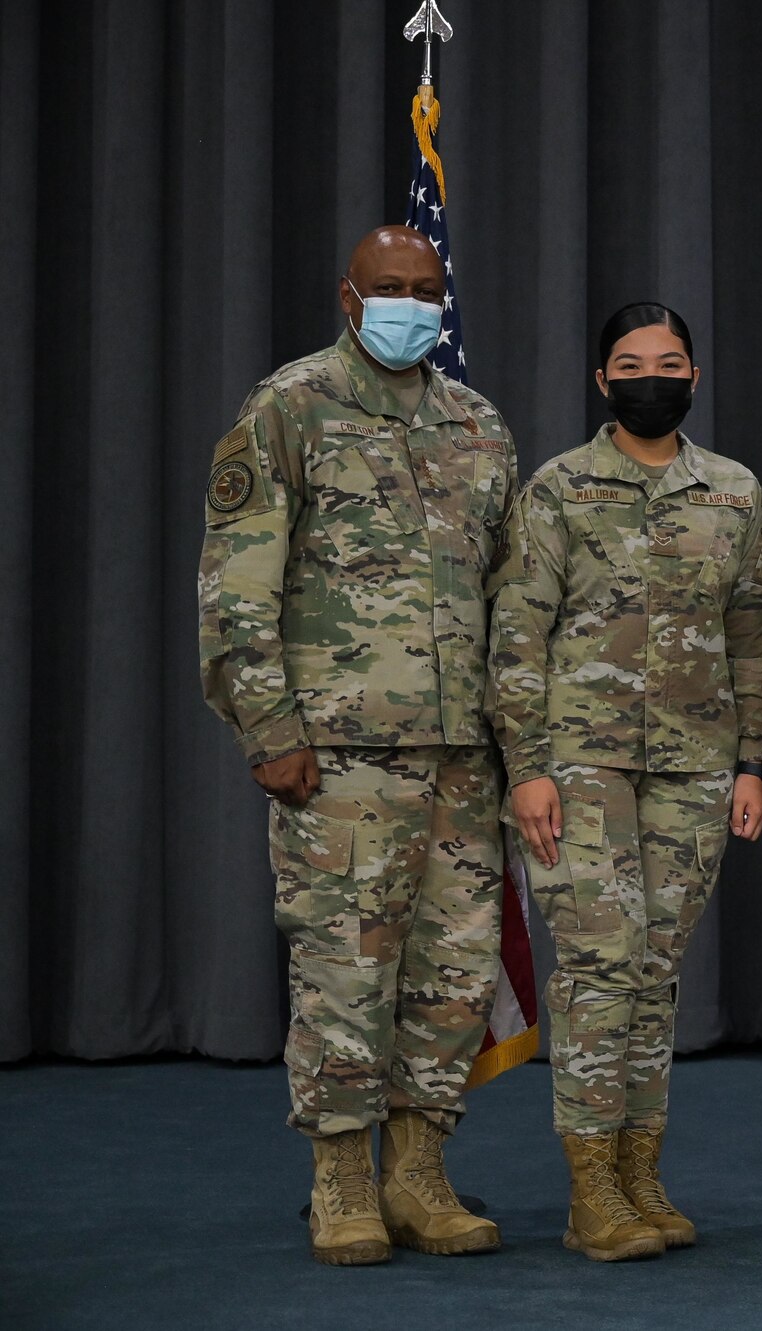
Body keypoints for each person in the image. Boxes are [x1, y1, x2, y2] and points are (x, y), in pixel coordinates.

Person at [197, 225, 514, 1265]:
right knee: (345, 967)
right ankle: (341, 1177)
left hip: (463, 751)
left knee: (452, 973)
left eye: (426, 290)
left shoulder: (477, 423)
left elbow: (507, 598)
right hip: (339, 752)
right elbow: (236, 585)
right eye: (389, 288)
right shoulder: (288, 408)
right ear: (348, 294)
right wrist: (268, 726)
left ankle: (417, 1171)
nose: (409, 305)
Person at [487, 303, 762, 1262]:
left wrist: (751, 763)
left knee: (654, 976)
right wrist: (526, 769)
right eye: (631, 362)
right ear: (602, 382)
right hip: (581, 763)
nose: (653, 375)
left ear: (694, 375)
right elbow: (517, 635)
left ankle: (641, 1171)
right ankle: (590, 1189)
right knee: (601, 971)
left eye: (671, 360)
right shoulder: (559, 489)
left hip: (696, 765)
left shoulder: (733, 492)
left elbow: (752, 634)